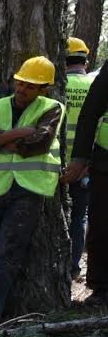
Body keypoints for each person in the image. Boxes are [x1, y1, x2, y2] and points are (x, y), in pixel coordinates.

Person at [0, 56, 63, 320]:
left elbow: (39, 142)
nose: (22, 89)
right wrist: (17, 133)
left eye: (30, 86)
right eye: (20, 83)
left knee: (7, 252)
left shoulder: (52, 107)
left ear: (43, 89)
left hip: (28, 189)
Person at [62, 58, 108, 304]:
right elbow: (90, 113)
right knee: (101, 225)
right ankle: (101, 287)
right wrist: (80, 158)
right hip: (105, 161)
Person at [63, 37, 95, 279]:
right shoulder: (95, 85)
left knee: (57, 214)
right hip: (85, 165)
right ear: (86, 59)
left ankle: (56, 266)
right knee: (79, 216)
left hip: (57, 165)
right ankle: (73, 267)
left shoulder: (57, 85)